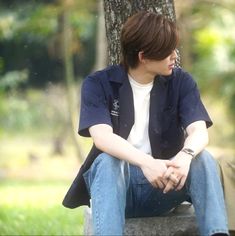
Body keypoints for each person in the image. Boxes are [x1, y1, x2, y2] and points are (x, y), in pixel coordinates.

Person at [63, 11, 229, 236]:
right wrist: (146, 163)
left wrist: (184, 156)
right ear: (144, 57)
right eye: (167, 51)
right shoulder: (99, 84)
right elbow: (102, 137)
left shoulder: (181, 81)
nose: (175, 56)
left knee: (204, 159)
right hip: (117, 187)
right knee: (108, 161)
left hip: (166, 184)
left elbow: (199, 131)